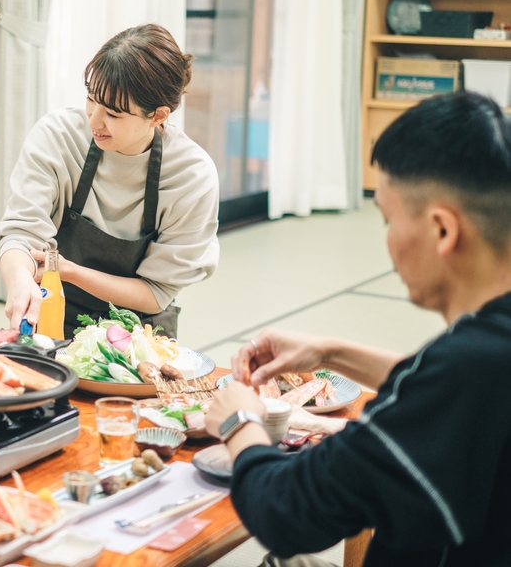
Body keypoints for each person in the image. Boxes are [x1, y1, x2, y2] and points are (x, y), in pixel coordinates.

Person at [205, 92, 511, 566]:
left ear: (442, 230)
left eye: (388, 220)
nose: (386, 241)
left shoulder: (465, 368)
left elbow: (285, 511)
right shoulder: (485, 353)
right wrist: (328, 351)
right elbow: (444, 387)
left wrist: (239, 421)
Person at [0, 24, 219, 339]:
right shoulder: (59, 137)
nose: (94, 120)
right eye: (91, 99)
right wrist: (20, 280)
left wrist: (69, 270)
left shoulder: (191, 176)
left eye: (113, 114)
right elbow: (21, 234)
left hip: (142, 336)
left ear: (158, 116)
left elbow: (156, 292)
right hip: (53, 318)